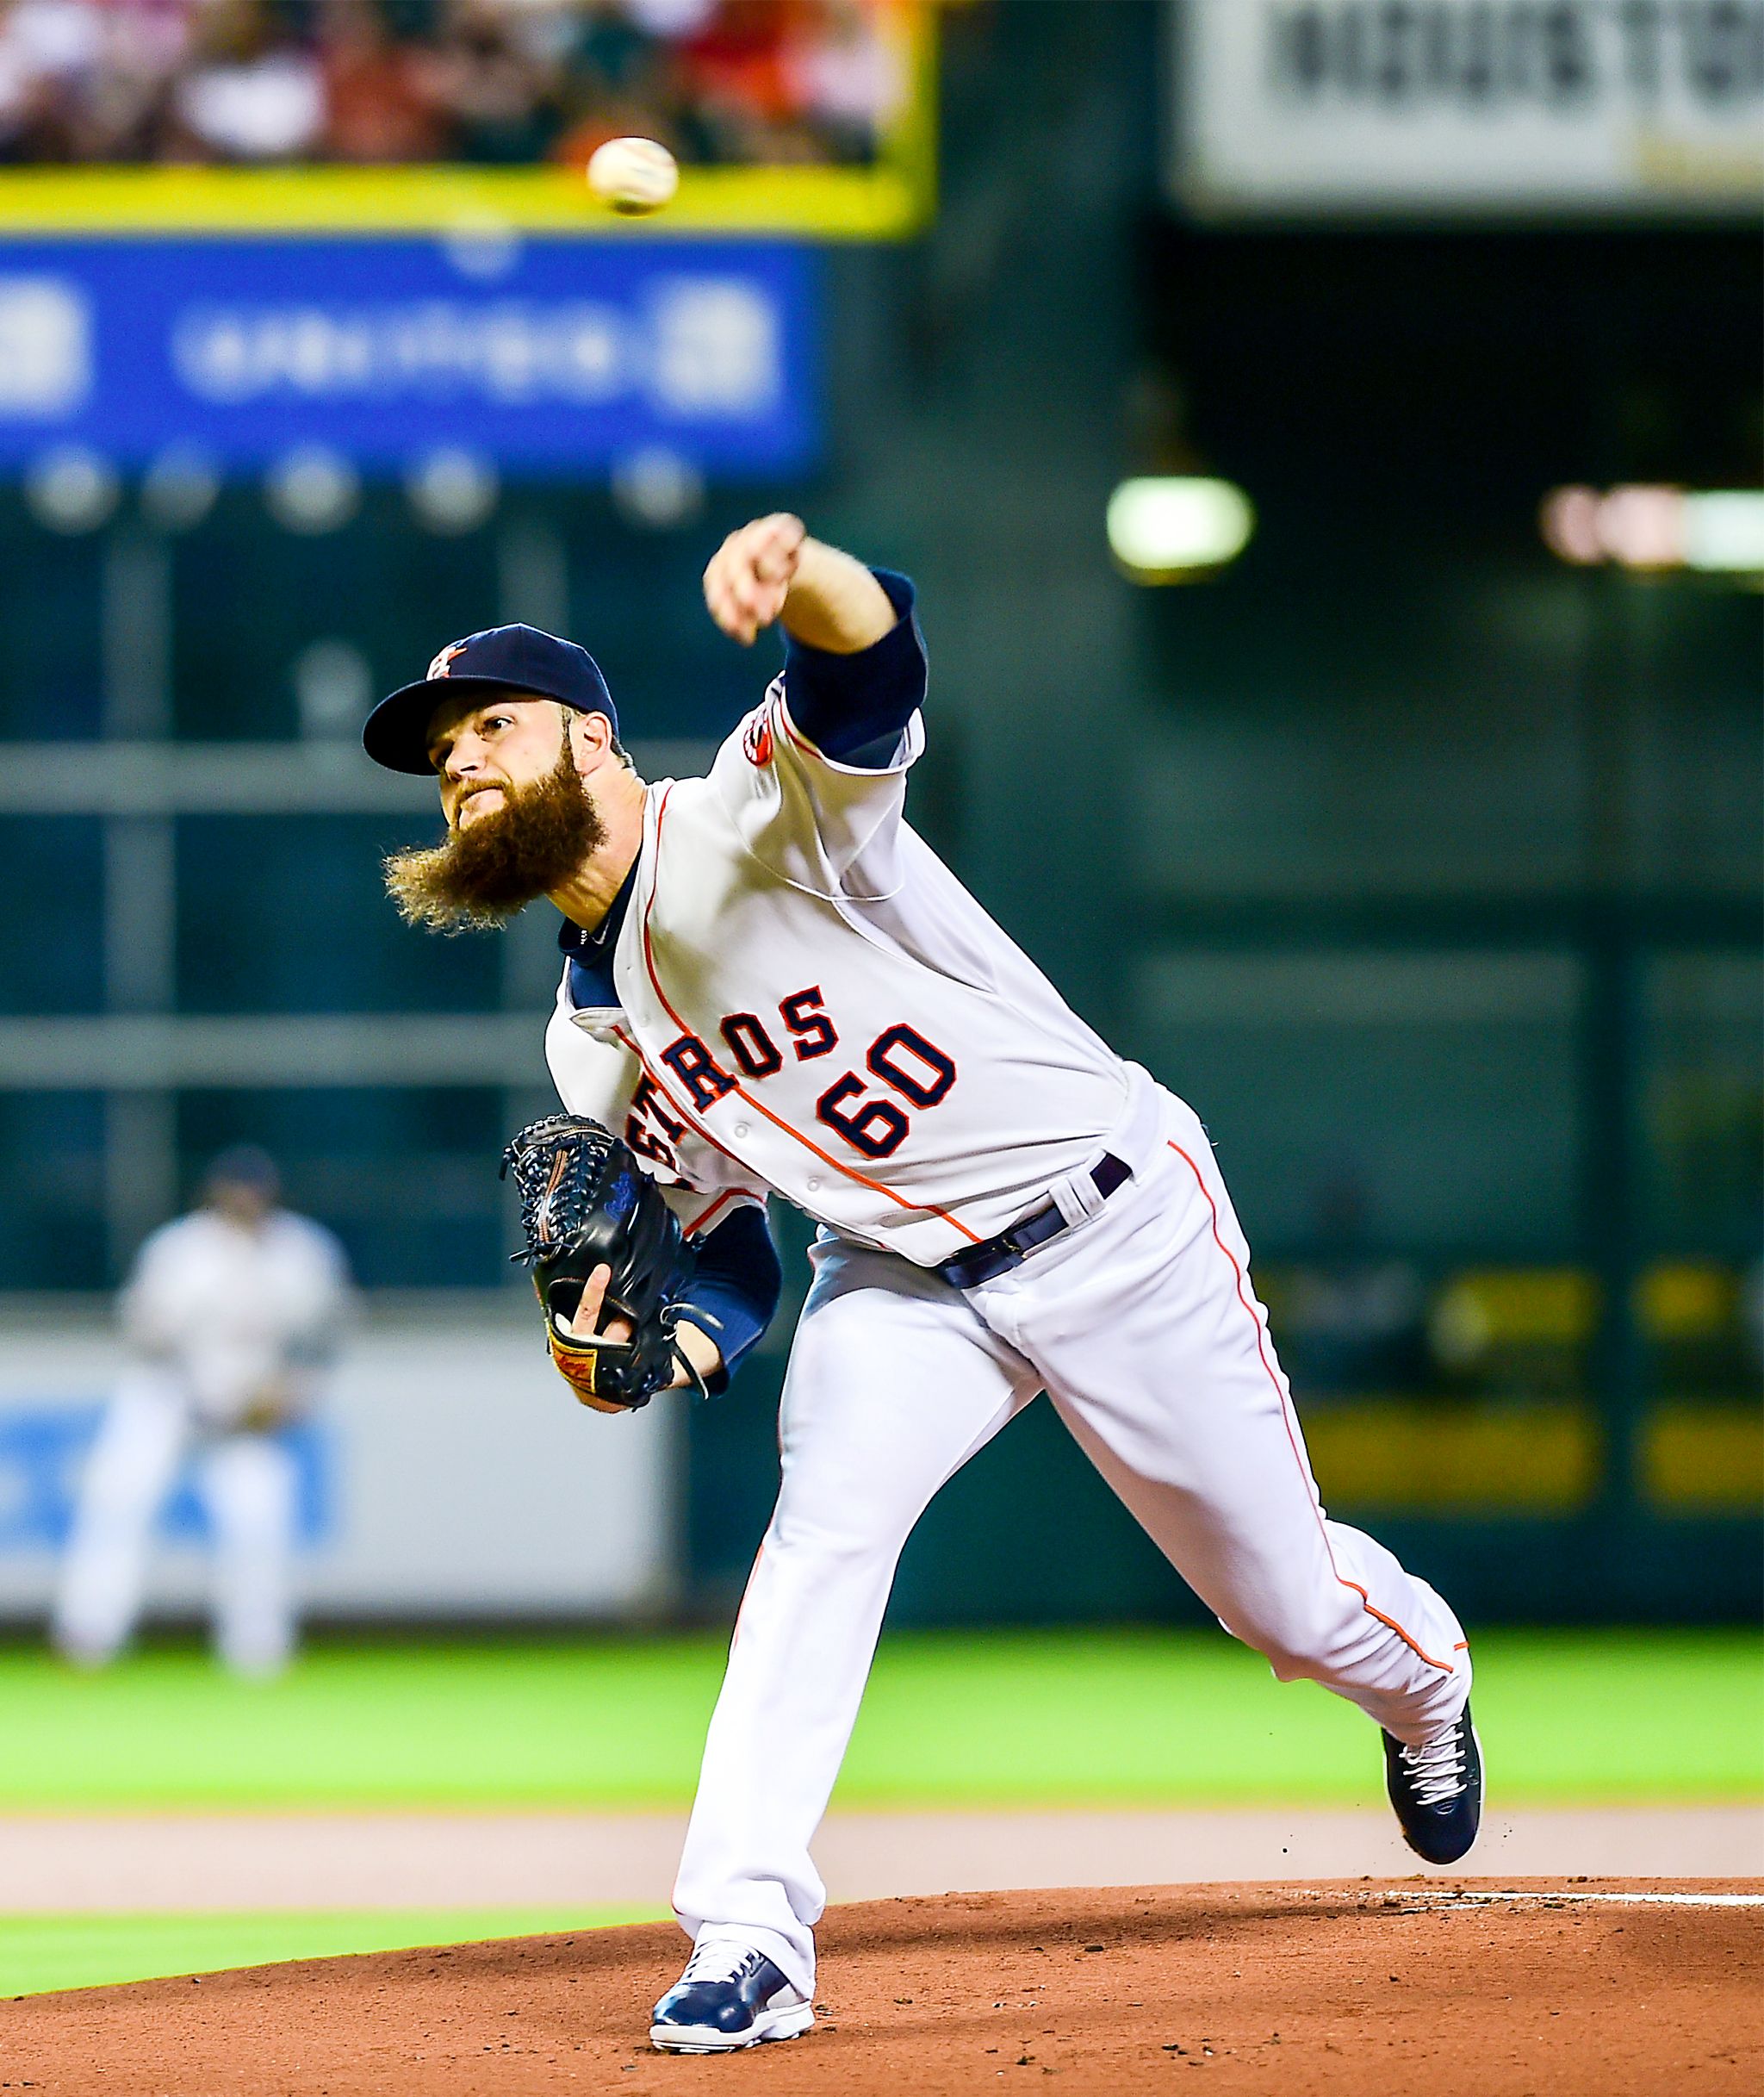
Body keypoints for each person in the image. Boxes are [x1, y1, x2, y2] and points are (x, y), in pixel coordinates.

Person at [363, 514, 1482, 2056]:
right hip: (897, 1272)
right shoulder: (585, 1040)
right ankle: (747, 1930)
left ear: (595, 740)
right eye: (441, 750)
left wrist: (798, 570)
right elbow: (731, 1231)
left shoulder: (756, 817)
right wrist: (686, 1326)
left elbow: (868, 652)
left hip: (1109, 1212)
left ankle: (1423, 1688)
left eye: (493, 721)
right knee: (820, 1530)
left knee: (1280, 1603)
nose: (464, 759)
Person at [51, 1147, 352, 1679]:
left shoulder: (301, 1251)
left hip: (249, 1410)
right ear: (214, 1194)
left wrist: (292, 1391)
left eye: (254, 1188)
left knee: (258, 1521)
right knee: (118, 1503)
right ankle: (89, 1637)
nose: (245, 1199)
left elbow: (325, 1338)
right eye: (235, 1189)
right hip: (168, 1397)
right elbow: (146, 1332)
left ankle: (257, 1650)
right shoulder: (180, 1249)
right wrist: (204, 1390)